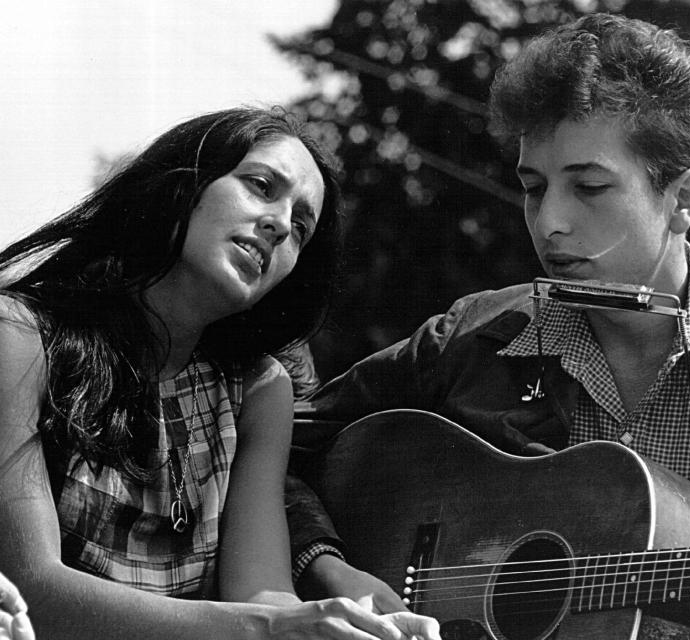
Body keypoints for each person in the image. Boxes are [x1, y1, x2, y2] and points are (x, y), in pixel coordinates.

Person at [284, 14, 690, 640]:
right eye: (533, 187)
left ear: (685, 199)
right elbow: (272, 451)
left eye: (588, 186)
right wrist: (329, 567)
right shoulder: (471, 336)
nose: (549, 221)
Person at [0, 106, 440, 640]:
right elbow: (32, 590)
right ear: (185, 183)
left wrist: (351, 628)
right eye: (260, 186)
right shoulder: (22, 338)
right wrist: (268, 627)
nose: (280, 224)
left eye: (301, 227)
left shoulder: (259, 390)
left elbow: (261, 592)